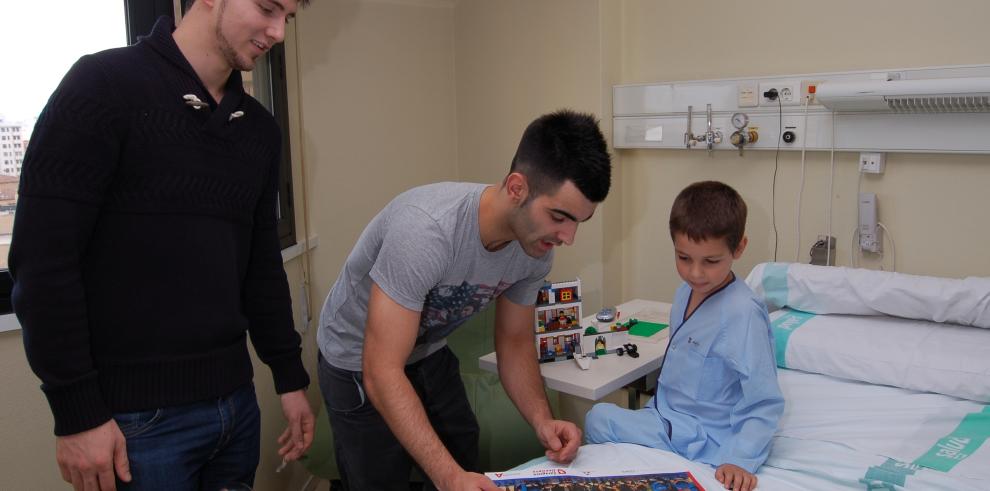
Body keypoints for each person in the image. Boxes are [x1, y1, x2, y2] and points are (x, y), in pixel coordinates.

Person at [9, 1, 315, 489]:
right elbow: (44, 265)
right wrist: (77, 413)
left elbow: (260, 268)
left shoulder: (259, 131)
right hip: (134, 423)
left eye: (289, 18)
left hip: (235, 408)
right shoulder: (102, 87)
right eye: (267, 7)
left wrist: (289, 376)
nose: (278, 32)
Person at [317, 109, 612, 490]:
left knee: (463, 458)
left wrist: (542, 420)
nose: (568, 237)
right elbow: (382, 371)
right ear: (517, 188)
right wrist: (448, 476)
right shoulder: (426, 232)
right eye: (559, 216)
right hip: (357, 359)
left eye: (578, 222)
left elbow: (515, 341)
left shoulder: (534, 248)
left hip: (427, 348)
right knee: (383, 478)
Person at [584, 181, 784, 491]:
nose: (695, 273)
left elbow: (764, 401)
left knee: (602, 422)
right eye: (684, 258)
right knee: (598, 418)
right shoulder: (684, 293)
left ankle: (669, 465)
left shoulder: (743, 313)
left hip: (706, 438)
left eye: (711, 261)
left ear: (739, 248)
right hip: (664, 420)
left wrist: (740, 461)